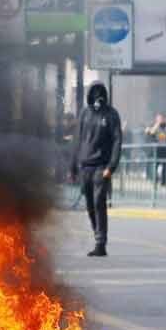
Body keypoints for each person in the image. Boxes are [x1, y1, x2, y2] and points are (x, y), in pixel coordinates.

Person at [70, 81, 122, 257]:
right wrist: (72, 167)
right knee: (90, 205)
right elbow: (77, 141)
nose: (97, 96)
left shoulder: (111, 114)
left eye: (100, 92)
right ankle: (97, 234)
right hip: (85, 166)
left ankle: (101, 243)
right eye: (94, 92)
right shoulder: (84, 114)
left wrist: (111, 166)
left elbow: (117, 141)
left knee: (99, 202)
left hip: (102, 167)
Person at [145, 114, 166, 186]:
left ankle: (164, 182)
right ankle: (154, 181)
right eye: (161, 118)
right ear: (156, 119)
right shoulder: (153, 125)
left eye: (164, 118)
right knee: (154, 166)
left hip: (164, 149)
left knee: (165, 166)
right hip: (155, 150)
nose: (163, 120)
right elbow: (151, 132)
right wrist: (157, 124)